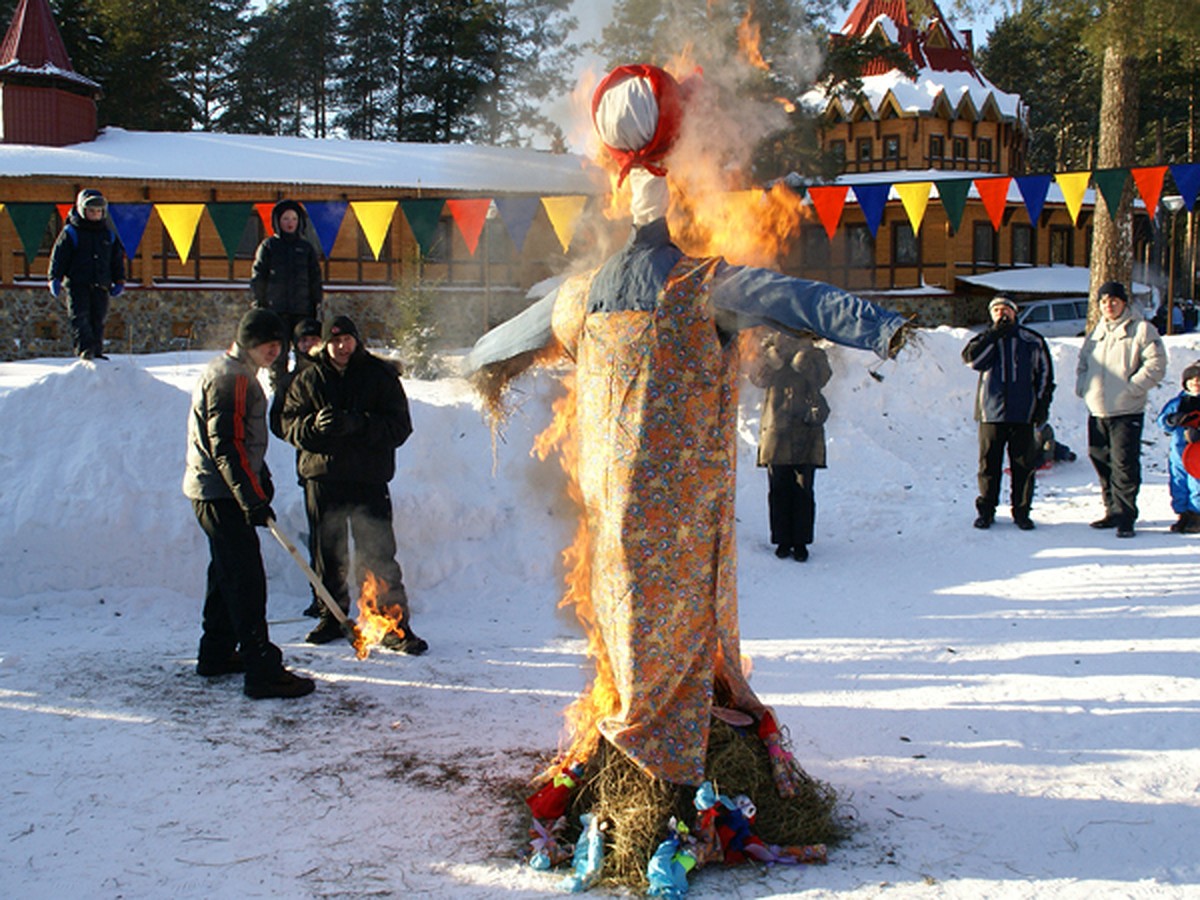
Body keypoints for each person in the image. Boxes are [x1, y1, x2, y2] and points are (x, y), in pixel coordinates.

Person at [466, 64, 909, 789]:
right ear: (667, 213)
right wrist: (882, 325)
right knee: (684, 616)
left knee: (624, 617)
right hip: (680, 511)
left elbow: (508, 339)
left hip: (613, 511)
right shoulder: (701, 285)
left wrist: (483, 368)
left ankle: (635, 728)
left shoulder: (580, 298)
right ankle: (671, 750)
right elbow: (795, 299)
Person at [182, 308, 315, 700]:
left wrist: (261, 481)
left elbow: (238, 443)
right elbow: (227, 446)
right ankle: (263, 671)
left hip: (216, 491)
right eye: (268, 344)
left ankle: (217, 653)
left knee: (226, 575)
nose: (274, 351)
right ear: (249, 342)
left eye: (278, 345)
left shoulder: (232, 371)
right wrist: (250, 497)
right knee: (245, 581)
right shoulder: (234, 379)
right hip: (221, 494)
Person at [280, 315, 428, 654]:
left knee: (377, 554)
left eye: (347, 339)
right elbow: (288, 425)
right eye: (334, 341)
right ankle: (332, 617)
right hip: (323, 478)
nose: (341, 347)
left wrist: (357, 424)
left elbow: (399, 427)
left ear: (357, 341)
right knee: (327, 554)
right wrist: (313, 427)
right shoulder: (307, 378)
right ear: (324, 344)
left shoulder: (379, 376)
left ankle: (392, 624)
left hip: (367, 478)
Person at [1075, 280, 1167, 538]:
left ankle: (1126, 516)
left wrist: (1132, 388)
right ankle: (1112, 510)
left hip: (1127, 410)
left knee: (1124, 464)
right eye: (1104, 301)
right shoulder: (1096, 332)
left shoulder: (1141, 330)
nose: (1109, 305)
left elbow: (1156, 364)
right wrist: (1084, 387)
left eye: (1114, 300)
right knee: (1101, 460)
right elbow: (1083, 363)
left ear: (1124, 302)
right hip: (1098, 410)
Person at [961, 295, 1055, 530]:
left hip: (1023, 413)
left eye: (1006, 310)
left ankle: (1021, 511)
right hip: (991, 413)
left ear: (1015, 312)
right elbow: (973, 361)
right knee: (988, 465)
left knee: (1023, 465)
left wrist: (1042, 405)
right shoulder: (986, 339)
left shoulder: (1031, 340)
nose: (1001, 314)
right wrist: (994, 335)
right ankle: (986, 511)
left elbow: (1044, 374)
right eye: (996, 310)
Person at [750, 331, 831, 561]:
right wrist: (771, 357)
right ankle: (782, 540)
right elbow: (757, 379)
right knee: (779, 489)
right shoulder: (770, 354)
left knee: (803, 490)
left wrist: (803, 359)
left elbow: (823, 378)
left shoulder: (814, 355)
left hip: (807, 430)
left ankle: (801, 542)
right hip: (777, 431)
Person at [268, 317, 325, 617]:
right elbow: (278, 423)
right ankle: (322, 596)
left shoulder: (336, 372)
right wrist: (307, 431)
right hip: (310, 465)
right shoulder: (288, 381)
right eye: (303, 340)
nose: (309, 344)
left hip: (346, 467)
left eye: (314, 338)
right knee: (319, 533)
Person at [250, 199, 323, 388]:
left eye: (293, 218)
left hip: (302, 312)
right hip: (275, 312)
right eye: (285, 218)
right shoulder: (269, 247)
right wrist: (261, 305)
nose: (290, 222)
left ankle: (303, 390)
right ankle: (279, 391)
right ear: (277, 221)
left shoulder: (306, 248)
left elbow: (315, 278)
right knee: (277, 355)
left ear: (300, 221)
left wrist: (316, 304)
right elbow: (258, 278)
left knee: (305, 355)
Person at [47, 188, 126, 360]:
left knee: (98, 318)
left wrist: (119, 280)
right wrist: (55, 277)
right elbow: (59, 256)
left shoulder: (108, 234)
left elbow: (116, 259)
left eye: (99, 211)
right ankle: (84, 349)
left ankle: (97, 350)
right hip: (78, 284)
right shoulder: (71, 232)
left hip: (101, 284)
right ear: (82, 210)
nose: (95, 214)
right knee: (80, 317)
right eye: (91, 211)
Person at [1155, 361, 1200, 533]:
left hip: (1197, 451)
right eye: (1192, 380)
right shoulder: (1177, 402)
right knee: (1178, 481)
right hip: (1179, 450)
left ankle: (1196, 514)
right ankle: (1182, 513)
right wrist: (1171, 420)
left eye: (1199, 381)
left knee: (1197, 483)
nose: (1195, 384)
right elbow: (1162, 421)